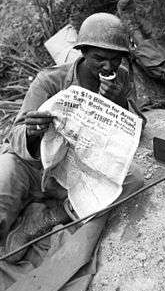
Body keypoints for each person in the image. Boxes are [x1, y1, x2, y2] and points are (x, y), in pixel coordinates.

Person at [0, 13, 145, 256]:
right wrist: (32, 132)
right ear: (83, 51)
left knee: (132, 179)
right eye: (99, 58)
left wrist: (119, 103)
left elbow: (138, 130)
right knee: (4, 174)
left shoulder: (121, 79)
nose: (108, 67)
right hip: (33, 168)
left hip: (76, 170)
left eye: (115, 59)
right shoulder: (49, 80)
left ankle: (48, 218)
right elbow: (14, 136)